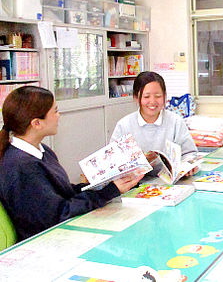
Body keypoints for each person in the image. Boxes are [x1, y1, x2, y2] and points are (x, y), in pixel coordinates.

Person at [0, 86, 143, 241]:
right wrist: (109, 191)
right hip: (48, 240)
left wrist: (106, 184)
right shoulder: (21, 168)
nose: (59, 116)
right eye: (55, 111)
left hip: (63, 230)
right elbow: (58, 215)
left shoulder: (42, 151)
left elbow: (63, 192)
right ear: (36, 123)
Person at [110, 71, 198, 175]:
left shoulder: (175, 121)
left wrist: (189, 166)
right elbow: (113, 160)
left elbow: (190, 153)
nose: (152, 101)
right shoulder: (124, 125)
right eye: (146, 97)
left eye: (158, 96)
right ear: (136, 98)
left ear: (165, 96)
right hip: (135, 184)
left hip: (171, 184)